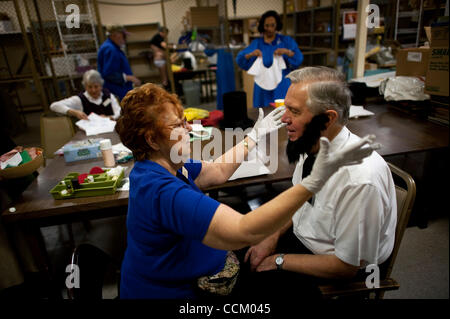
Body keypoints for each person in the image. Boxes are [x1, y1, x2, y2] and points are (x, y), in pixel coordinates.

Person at [114, 82, 379, 299]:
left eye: (185, 121)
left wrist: (253, 137)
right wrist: (312, 183)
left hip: (187, 273)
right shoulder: (161, 190)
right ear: (151, 139)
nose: (188, 129)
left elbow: (217, 171)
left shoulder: (167, 164)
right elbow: (243, 231)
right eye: (177, 126)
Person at [239, 66, 397, 299]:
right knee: (236, 253)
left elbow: (344, 267)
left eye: (293, 111)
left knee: (248, 290)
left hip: (337, 270)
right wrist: (272, 235)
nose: (284, 119)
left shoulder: (359, 179)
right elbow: (298, 203)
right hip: (305, 239)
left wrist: (279, 260)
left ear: (327, 118)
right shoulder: (313, 142)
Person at [236, 10, 303, 108]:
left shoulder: (285, 41)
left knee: (282, 110)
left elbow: (298, 58)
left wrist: (286, 52)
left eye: (272, 25)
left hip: (281, 84)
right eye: (267, 25)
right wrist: (251, 54)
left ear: (277, 25)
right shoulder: (257, 43)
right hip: (261, 86)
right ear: (262, 26)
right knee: (262, 111)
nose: (270, 28)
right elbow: (240, 59)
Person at [50, 70, 121, 120]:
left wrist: (110, 117)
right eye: (90, 87)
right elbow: (54, 106)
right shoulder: (79, 99)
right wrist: (74, 112)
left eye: (96, 87)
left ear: (101, 85)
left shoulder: (108, 96)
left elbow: (118, 111)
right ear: (85, 86)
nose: (93, 90)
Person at [97, 24, 141, 101]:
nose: (124, 40)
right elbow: (108, 74)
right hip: (116, 90)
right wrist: (129, 78)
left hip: (120, 88)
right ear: (114, 35)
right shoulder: (110, 49)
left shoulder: (113, 47)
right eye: (123, 36)